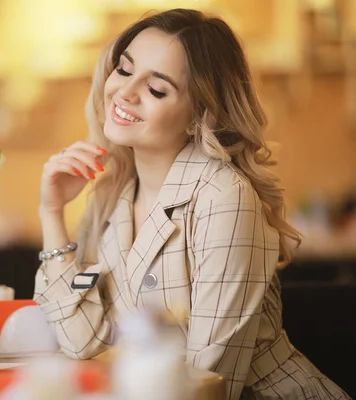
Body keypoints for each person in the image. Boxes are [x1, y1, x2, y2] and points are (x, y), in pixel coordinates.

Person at [34, 8, 350, 400]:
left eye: (157, 89)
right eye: (125, 69)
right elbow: (80, 342)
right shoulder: (111, 194)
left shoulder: (223, 197)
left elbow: (209, 382)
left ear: (199, 114)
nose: (126, 92)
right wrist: (51, 213)